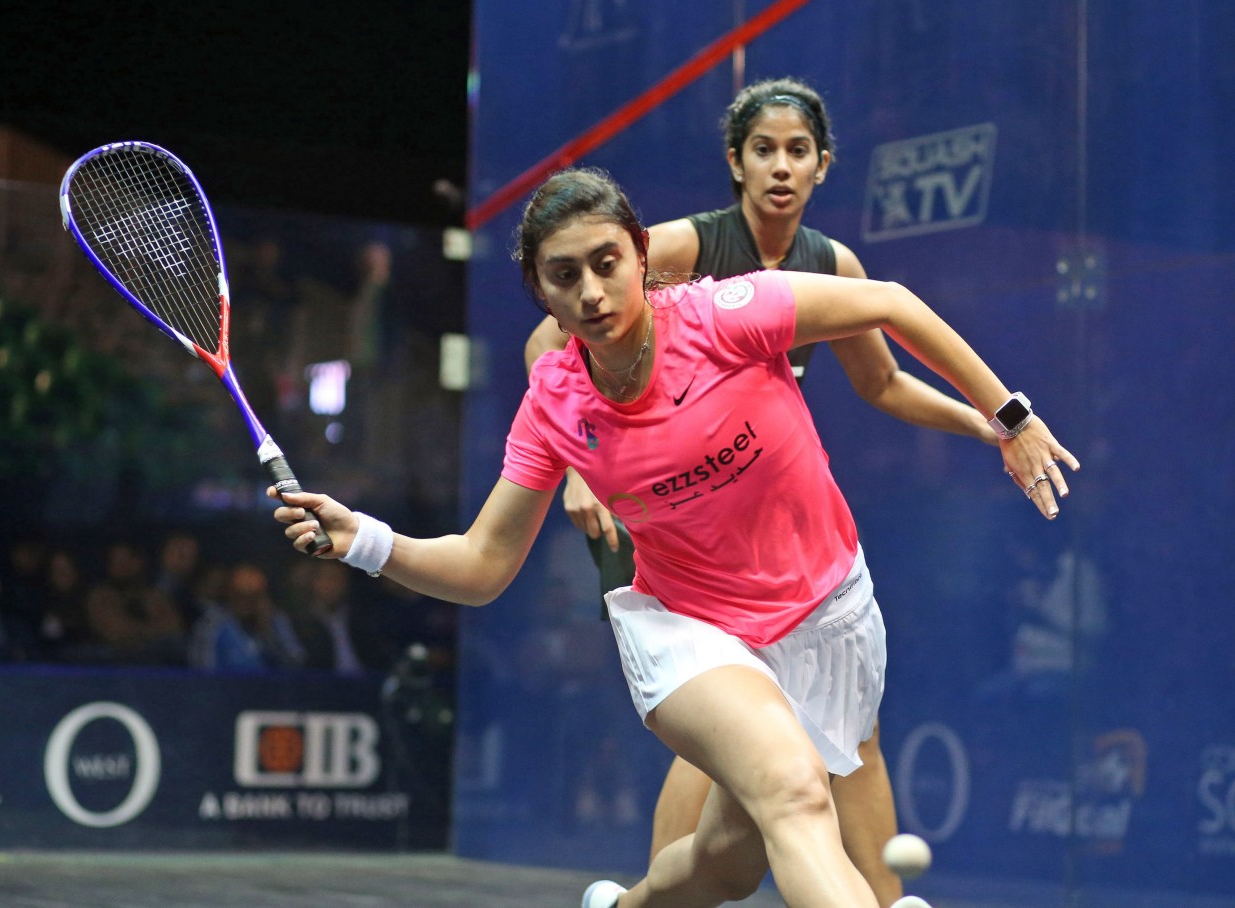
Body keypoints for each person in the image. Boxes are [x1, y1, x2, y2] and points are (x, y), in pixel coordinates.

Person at [270, 167, 1077, 908]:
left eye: (606, 263)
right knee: (797, 792)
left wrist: (1009, 417)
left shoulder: (725, 316)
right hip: (694, 631)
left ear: (641, 255)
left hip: (830, 609)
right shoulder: (555, 404)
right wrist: (363, 539)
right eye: (564, 276)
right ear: (540, 292)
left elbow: (892, 303)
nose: (591, 292)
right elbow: (482, 565)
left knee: (729, 861)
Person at [523, 77, 997, 905]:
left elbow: (883, 383)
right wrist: (575, 467)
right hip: (670, 527)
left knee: (849, 732)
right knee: (726, 737)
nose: (781, 167)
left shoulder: (831, 264)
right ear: (735, 163)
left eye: (797, 151)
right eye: (764, 150)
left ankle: (880, 898)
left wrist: (986, 422)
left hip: (765, 525)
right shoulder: (680, 248)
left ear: (823, 166)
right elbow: (548, 345)